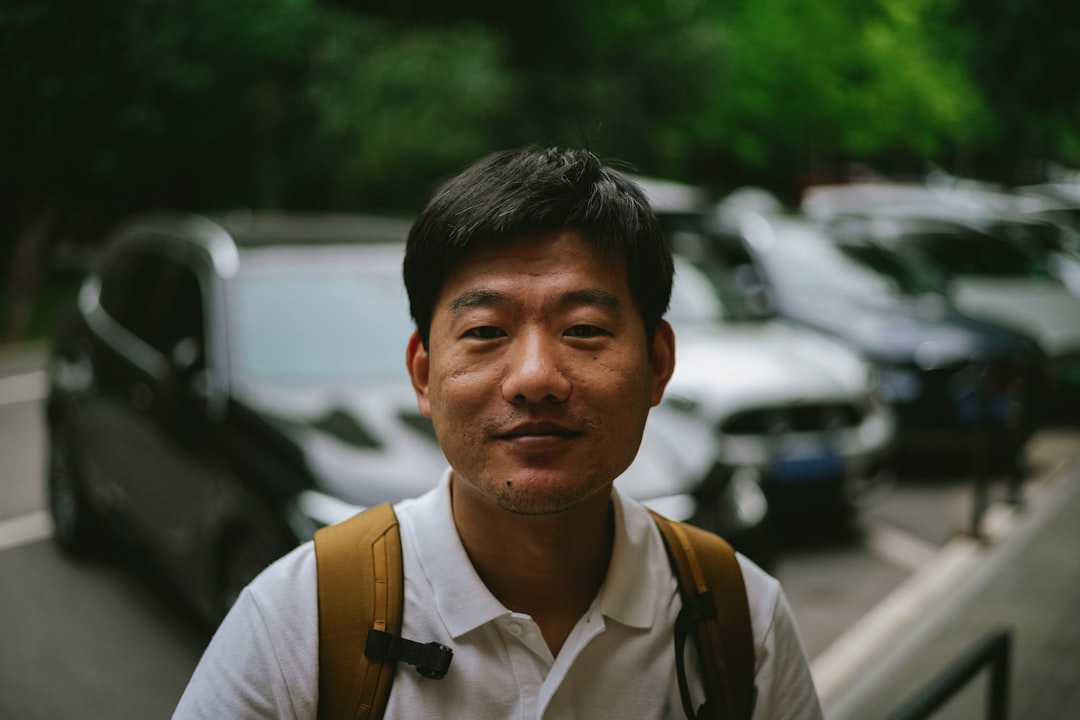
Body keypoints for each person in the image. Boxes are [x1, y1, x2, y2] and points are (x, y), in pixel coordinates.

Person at [173, 146, 823, 719]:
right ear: (424, 375)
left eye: (584, 331)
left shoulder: (743, 622)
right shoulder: (297, 623)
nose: (535, 377)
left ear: (657, 365)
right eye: (486, 332)